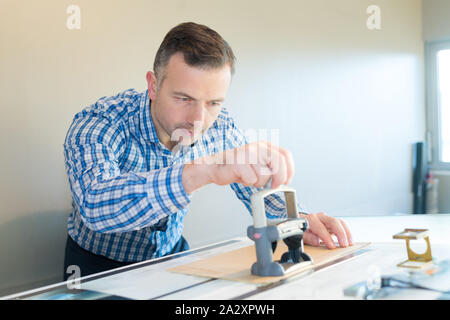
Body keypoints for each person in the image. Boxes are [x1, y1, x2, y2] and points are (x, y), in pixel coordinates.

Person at [63, 22, 353, 281]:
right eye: (184, 98)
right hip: (95, 267)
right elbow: (95, 206)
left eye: (213, 102)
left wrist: (297, 220)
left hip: (171, 258)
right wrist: (201, 171)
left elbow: (257, 189)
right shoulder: (100, 122)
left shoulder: (221, 126)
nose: (199, 120)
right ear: (153, 86)